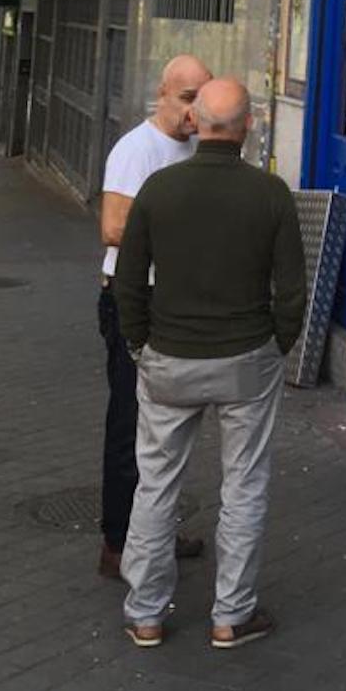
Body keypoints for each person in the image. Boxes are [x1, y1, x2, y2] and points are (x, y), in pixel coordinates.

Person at [114, 78, 307, 650]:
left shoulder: (159, 189)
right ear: (249, 126)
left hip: (169, 358)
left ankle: (145, 613)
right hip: (246, 359)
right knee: (245, 485)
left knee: (156, 485)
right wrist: (279, 343)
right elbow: (292, 288)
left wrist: (138, 343)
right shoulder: (271, 194)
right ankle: (232, 615)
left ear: (197, 122)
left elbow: (129, 278)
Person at [98, 53, 212, 580]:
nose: (196, 110)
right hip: (131, 301)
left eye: (203, 99)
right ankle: (117, 543)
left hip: (172, 302)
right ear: (163, 94)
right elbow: (114, 227)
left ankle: (155, 532)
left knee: (166, 428)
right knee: (130, 419)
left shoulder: (196, 149)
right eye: (188, 98)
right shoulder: (136, 149)